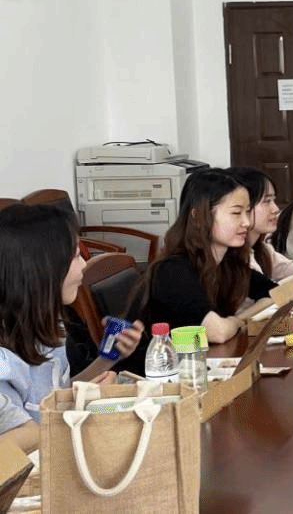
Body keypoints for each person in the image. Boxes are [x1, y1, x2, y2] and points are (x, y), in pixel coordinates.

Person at [0, 205, 143, 453]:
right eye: (76, 256)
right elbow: (19, 439)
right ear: (43, 267)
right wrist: (85, 407)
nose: (84, 265)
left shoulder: (46, 323)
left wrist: (108, 359)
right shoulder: (4, 360)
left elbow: (52, 398)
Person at [129, 169, 276, 345]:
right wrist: (234, 322)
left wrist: (236, 320)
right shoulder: (173, 270)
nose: (246, 222)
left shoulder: (226, 264)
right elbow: (218, 333)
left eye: (248, 212)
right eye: (237, 213)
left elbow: (277, 293)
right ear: (199, 217)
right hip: (159, 361)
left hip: (200, 358)